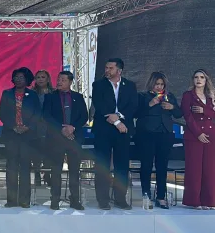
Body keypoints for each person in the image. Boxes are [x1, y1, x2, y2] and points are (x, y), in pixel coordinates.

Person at [91, 58, 138, 210]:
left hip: (123, 130)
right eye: (106, 67)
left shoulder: (129, 85)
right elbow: (100, 104)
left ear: (119, 71)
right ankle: (103, 199)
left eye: (110, 68)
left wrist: (119, 117)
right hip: (103, 129)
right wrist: (116, 122)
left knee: (122, 166)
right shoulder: (98, 85)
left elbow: (133, 106)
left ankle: (120, 198)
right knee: (102, 165)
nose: (107, 70)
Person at [136, 71, 182, 209]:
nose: (159, 87)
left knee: (162, 166)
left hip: (165, 134)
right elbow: (135, 113)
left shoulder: (169, 97)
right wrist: (150, 104)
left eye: (162, 84)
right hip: (147, 134)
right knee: (147, 165)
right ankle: (146, 195)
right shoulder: (143, 96)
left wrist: (172, 107)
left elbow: (179, 114)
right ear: (152, 83)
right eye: (157, 84)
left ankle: (161, 196)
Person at [42, 71, 88, 210]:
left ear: (70, 82)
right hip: (56, 138)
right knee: (56, 169)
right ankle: (55, 199)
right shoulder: (50, 97)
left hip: (74, 137)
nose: (59, 82)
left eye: (63, 80)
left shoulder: (78, 97)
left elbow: (84, 116)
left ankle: (74, 199)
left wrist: (72, 128)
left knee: (74, 170)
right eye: (58, 79)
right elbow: (46, 116)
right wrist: (61, 129)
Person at [0, 67, 40, 208]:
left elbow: (37, 114)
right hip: (11, 134)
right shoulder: (7, 94)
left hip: (27, 135)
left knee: (25, 169)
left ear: (27, 79)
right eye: (16, 77)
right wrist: (13, 126)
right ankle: (11, 200)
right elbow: (1, 113)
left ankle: (24, 200)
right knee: (11, 167)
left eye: (21, 77)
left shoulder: (33, 95)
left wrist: (27, 127)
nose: (18, 79)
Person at [180, 69, 215, 209]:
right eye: (196, 77)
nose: (198, 80)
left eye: (201, 77)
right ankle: (193, 201)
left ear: (206, 80)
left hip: (211, 136)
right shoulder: (188, 95)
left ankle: (209, 200)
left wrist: (204, 110)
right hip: (194, 136)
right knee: (194, 169)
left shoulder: (211, 96)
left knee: (210, 169)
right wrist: (198, 133)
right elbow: (187, 116)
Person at [32, 70, 53, 187]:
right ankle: (37, 175)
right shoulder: (31, 93)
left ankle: (47, 174)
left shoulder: (54, 92)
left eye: (43, 77)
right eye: (38, 77)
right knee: (36, 152)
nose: (40, 79)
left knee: (49, 151)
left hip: (50, 126)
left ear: (48, 79)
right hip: (35, 126)